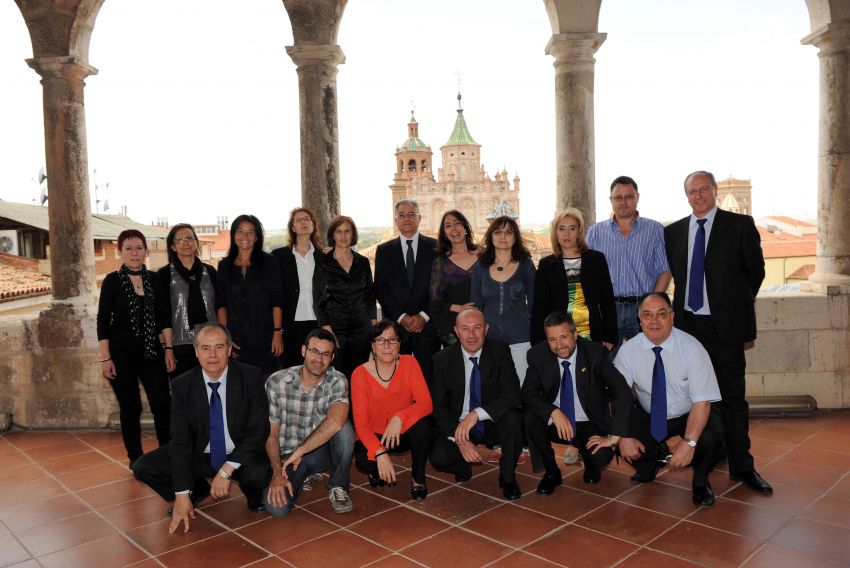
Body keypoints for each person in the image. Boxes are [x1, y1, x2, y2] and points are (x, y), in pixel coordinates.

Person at [664, 170, 771, 494]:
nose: (698, 196)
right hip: (690, 329)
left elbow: (756, 273)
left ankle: (742, 466)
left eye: (704, 189)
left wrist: (730, 306)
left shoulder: (739, 226)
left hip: (724, 328)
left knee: (733, 399)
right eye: (692, 191)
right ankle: (704, 466)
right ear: (686, 196)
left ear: (713, 191)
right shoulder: (674, 232)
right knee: (696, 399)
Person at [132, 323, 271, 533]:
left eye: (219, 347)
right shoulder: (182, 386)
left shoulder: (251, 377)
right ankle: (194, 490)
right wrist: (180, 493)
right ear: (196, 352)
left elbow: (259, 429)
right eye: (205, 348)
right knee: (143, 467)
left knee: (258, 473)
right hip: (200, 454)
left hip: (238, 454)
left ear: (230, 350)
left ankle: (253, 495)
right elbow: (180, 440)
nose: (213, 355)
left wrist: (226, 470)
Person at [614, 292, 724, 506]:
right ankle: (650, 465)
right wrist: (624, 436)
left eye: (661, 314)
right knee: (618, 431)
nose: (654, 321)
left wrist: (689, 442)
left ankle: (701, 482)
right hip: (651, 416)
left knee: (710, 436)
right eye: (647, 314)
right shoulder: (628, 351)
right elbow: (618, 397)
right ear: (639, 318)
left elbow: (702, 402)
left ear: (672, 317)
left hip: (688, 415)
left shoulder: (692, 349)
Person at [522, 311, 633, 494]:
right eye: (552, 339)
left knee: (600, 456)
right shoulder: (537, 355)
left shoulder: (595, 353)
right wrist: (553, 412)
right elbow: (527, 394)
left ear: (575, 334)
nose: (559, 345)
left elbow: (621, 391)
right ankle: (552, 473)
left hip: (589, 421)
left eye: (564, 337)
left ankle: (591, 465)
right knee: (529, 417)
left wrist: (614, 436)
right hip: (557, 421)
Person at [429, 308, 524, 500]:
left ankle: (508, 477)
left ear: (486, 329)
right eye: (465, 328)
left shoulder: (500, 351)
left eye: (477, 328)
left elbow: (513, 395)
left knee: (514, 419)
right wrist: (460, 441)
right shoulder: (441, 359)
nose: (471, 335)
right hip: (459, 425)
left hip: (489, 421)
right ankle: (462, 467)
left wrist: (476, 414)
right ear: (456, 331)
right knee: (439, 457)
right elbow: (438, 408)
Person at [98, 229, 174, 467]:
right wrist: (105, 358)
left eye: (139, 247)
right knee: (130, 406)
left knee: (162, 403)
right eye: (128, 248)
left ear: (146, 251)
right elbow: (102, 320)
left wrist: (169, 349)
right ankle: (136, 459)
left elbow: (164, 317)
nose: (134, 253)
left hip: (152, 352)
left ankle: (167, 454)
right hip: (121, 355)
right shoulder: (112, 281)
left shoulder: (154, 279)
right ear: (120, 251)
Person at [263, 328, 355, 516]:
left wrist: (301, 451)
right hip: (286, 456)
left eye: (325, 354)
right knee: (276, 509)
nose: (318, 359)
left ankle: (338, 486)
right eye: (314, 351)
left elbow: (336, 422)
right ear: (304, 351)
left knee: (345, 430)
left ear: (332, 358)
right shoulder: (277, 382)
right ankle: (304, 474)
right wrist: (277, 472)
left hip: (317, 452)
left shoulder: (337, 380)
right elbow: (270, 433)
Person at [351, 320, 434, 500]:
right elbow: (360, 424)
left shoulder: (410, 363)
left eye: (392, 340)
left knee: (424, 428)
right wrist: (379, 452)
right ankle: (375, 470)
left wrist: (400, 417)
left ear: (399, 344)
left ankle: (418, 479)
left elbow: (426, 403)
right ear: (373, 346)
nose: (387, 346)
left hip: (402, 431)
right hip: (375, 435)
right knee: (365, 461)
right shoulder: (359, 374)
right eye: (380, 340)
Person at [586, 176, 671, 344]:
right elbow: (588, 273)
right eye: (618, 197)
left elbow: (665, 271)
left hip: (643, 308)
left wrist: (652, 303)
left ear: (637, 198)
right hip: (608, 309)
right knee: (607, 364)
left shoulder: (654, 230)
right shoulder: (595, 232)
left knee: (646, 361)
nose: (623, 202)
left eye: (629, 197)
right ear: (611, 200)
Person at [532, 208, 617, 349]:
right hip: (559, 336)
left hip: (592, 333)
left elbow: (607, 300)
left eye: (572, 228)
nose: (566, 233)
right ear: (555, 233)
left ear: (579, 232)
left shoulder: (596, 259)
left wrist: (610, 335)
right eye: (562, 229)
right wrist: (539, 343)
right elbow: (540, 307)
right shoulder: (546, 265)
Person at [375, 199, 439, 382]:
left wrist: (424, 316)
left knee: (428, 379)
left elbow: (440, 287)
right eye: (402, 215)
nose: (407, 219)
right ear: (396, 221)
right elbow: (381, 289)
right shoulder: (384, 250)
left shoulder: (435, 247)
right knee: (396, 379)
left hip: (427, 327)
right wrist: (402, 317)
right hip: (395, 329)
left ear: (419, 218)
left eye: (411, 214)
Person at [216, 214, 284, 375]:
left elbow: (277, 300)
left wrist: (277, 332)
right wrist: (225, 338)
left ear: (257, 237)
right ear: (233, 235)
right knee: (239, 388)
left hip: (265, 337)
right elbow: (221, 304)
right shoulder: (224, 266)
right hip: (236, 339)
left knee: (266, 386)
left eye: (250, 232)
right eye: (240, 231)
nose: (245, 237)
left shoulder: (269, 262)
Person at [471, 215, 535, 384]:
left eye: (508, 232)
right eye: (498, 232)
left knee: (521, 387)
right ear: (491, 237)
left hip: (520, 338)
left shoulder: (526, 265)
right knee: (493, 388)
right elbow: (475, 306)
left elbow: (534, 304)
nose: (503, 236)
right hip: (490, 340)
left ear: (515, 238)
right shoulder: (480, 267)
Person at [314, 215, 377, 379]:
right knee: (338, 378)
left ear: (353, 234)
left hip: (362, 330)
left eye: (347, 231)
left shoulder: (362, 262)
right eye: (338, 231)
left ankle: (358, 406)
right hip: (336, 330)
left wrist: (373, 329)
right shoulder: (323, 264)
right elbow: (319, 302)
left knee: (359, 377)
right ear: (332, 236)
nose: (343, 236)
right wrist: (329, 333)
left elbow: (369, 296)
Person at [157, 223, 218, 378]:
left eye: (189, 238)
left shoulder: (210, 271)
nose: (185, 243)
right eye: (180, 240)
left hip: (209, 342)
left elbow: (220, 305)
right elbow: (162, 313)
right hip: (179, 344)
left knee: (212, 389)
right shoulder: (164, 274)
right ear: (172, 247)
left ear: (196, 242)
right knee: (183, 393)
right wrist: (168, 349)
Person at [272, 207, 324, 368]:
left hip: (318, 322)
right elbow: (276, 295)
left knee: (317, 367)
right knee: (293, 368)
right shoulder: (279, 256)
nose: (303, 222)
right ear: (293, 227)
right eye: (298, 220)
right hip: (290, 323)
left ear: (313, 225)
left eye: (307, 219)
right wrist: (277, 330)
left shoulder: (323, 256)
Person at [429, 210, 479, 347]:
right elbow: (435, 303)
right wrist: (460, 308)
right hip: (454, 329)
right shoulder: (440, 263)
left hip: (485, 327)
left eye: (457, 223)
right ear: (444, 233)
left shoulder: (484, 256)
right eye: (448, 225)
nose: (454, 228)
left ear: (465, 228)